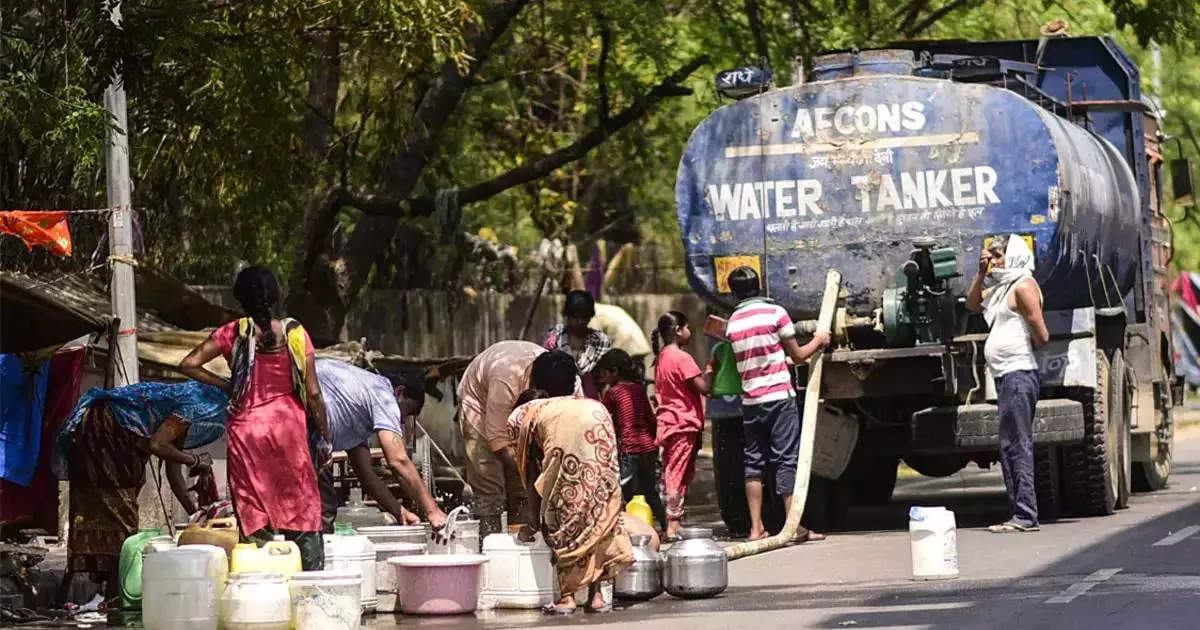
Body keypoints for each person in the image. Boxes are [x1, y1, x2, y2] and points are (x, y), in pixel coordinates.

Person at [180, 265, 329, 570]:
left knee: (253, 510)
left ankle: (259, 585)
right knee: (301, 504)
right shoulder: (294, 333)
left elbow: (189, 363)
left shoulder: (232, 332)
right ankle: (310, 583)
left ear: (240, 299)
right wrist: (325, 433)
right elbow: (313, 393)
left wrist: (229, 385)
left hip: (246, 430)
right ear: (275, 295)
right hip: (287, 428)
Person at [55, 381, 229, 594]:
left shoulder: (180, 416)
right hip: (108, 426)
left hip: (98, 427)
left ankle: (83, 594)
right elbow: (157, 446)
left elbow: (173, 473)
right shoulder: (192, 407)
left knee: (100, 506)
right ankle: (115, 594)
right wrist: (194, 461)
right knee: (117, 510)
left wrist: (197, 516)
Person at [726, 266, 830, 542]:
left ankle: (755, 528)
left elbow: (754, 359)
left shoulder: (733, 323)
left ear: (734, 292)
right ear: (758, 287)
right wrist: (819, 341)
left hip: (751, 402)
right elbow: (797, 356)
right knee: (785, 460)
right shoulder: (775, 313)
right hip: (779, 399)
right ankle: (794, 526)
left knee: (753, 463)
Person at [509, 390, 633, 615]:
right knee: (598, 505)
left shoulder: (519, 418)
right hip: (597, 414)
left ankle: (567, 598)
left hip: (574, 426)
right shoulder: (558, 404)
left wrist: (531, 521)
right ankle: (595, 597)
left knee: (563, 507)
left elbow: (531, 474)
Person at [967, 235, 1049, 533]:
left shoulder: (1024, 286)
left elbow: (1042, 336)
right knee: (1008, 446)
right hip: (1005, 376)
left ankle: (1026, 515)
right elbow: (973, 304)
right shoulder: (1003, 287)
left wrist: (1016, 346)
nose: (994, 262)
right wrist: (979, 273)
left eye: (999, 256)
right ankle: (1017, 513)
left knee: (1018, 445)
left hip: (1018, 374)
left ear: (1014, 256)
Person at [457, 341, 579, 537]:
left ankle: (525, 543)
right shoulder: (506, 378)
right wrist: (533, 474)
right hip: (479, 406)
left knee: (523, 492)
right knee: (489, 485)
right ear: (537, 386)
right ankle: (491, 545)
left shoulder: (571, 384)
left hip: (518, 405)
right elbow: (498, 442)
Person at [315, 358, 448, 532]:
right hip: (300, 429)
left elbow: (367, 476)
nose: (401, 419)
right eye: (407, 411)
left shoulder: (359, 408)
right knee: (322, 510)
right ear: (399, 392)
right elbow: (398, 461)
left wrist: (399, 511)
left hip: (297, 430)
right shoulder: (383, 395)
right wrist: (433, 510)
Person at [650, 311, 710, 539]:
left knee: (679, 472)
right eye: (687, 328)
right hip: (682, 423)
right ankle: (673, 524)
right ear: (677, 330)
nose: (690, 332)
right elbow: (703, 387)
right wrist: (711, 370)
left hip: (670, 422)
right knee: (675, 474)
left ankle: (675, 521)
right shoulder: (682, 358)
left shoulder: (663, 357)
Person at [594, 349, 667, 530]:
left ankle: (617, 528)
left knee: (620, 490)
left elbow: (601, 418)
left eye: (605, 372)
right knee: (650, 491)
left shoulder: (613, 393)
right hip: (647, 447)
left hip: (629, 448)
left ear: (615, 372)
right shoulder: (638, 389)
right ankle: (666, 527)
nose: (602, 376)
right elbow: (650, 419)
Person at [544, 290, 612, 398]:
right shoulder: (556, 335)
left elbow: (605, 379)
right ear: (567, 316)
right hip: (559, 397)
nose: (580, 322)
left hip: (590, 400)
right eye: (575, 317)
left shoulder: (601, 341)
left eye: (584, 317)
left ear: (590, 317)